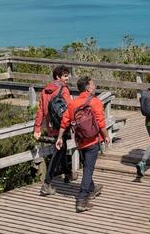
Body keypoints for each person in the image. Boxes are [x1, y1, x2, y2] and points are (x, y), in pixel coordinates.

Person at [55, 76, 110, 213]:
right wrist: (106, 136)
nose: (95, 87)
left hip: (80, 141)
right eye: (93, 85)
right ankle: (82, 199)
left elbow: (65, 122)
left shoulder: (73, 104)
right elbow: (101, 122)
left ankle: (92, 188)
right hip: (92, 140)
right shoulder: (95, 101)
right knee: (88, 169)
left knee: (87, 165)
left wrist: (60, 137)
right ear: (87, 88)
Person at [34, 65, 73, 195]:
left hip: (51, 126)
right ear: (58, 77)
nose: (68, 78)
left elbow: (40, 110)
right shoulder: (64, 89)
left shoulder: (45, 90)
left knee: (62, 147)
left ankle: (68, 174)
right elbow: (70, 109)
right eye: (65, 76)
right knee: (58, 151)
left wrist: (38, 127)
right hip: (62, 125)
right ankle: (47, 183)